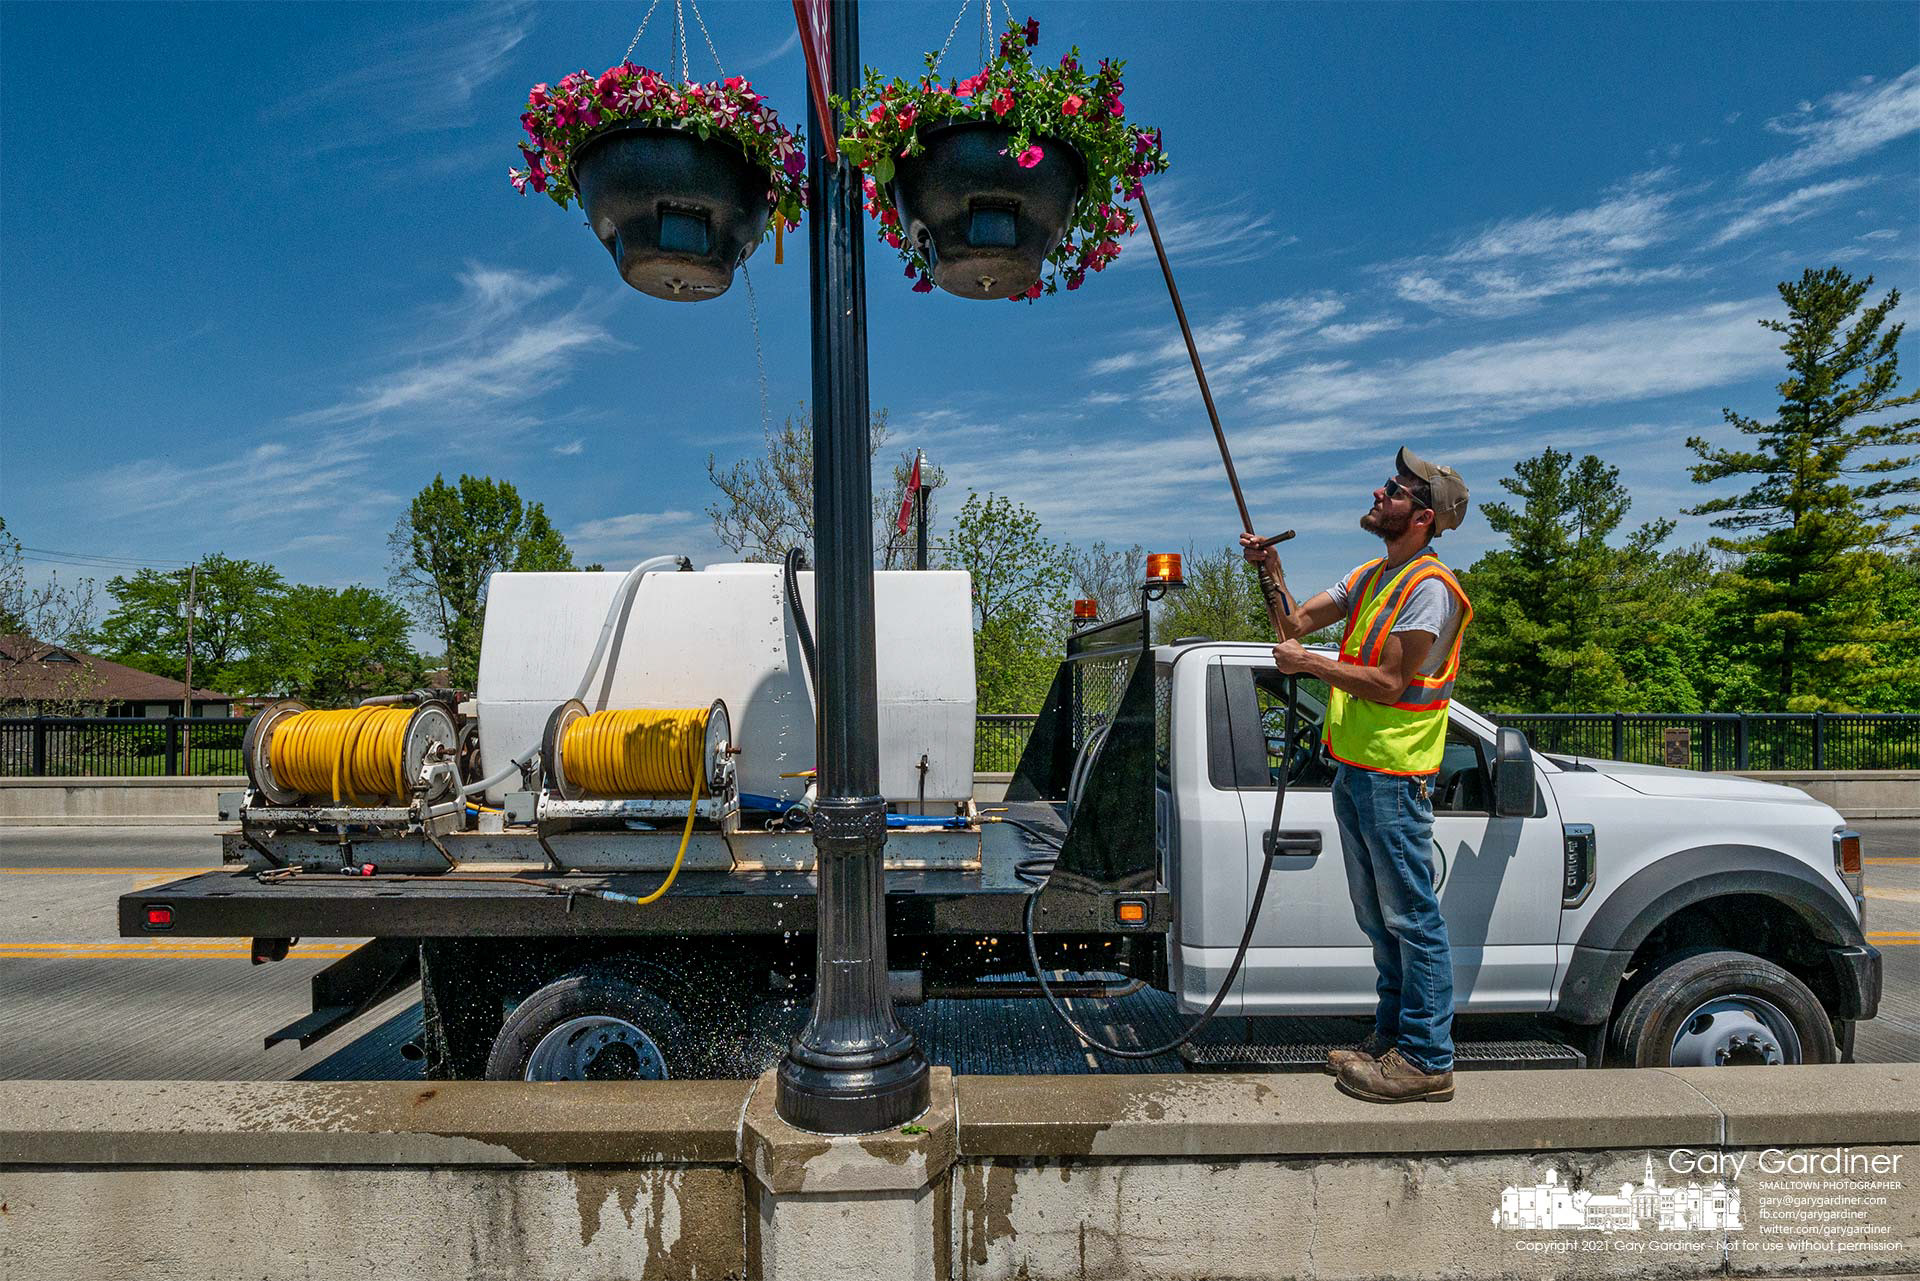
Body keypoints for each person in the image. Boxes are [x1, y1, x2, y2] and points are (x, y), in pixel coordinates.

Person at [1239, 447, 1472, 1104]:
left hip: (1397, 777)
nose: (1381, 491)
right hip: (1361, 772)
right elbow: (1294, 625)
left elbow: (1391, 683)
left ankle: (1426, 1057)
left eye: (1395, 489)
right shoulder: (1373, 575)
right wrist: (1272, 570)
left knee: (1412, 917)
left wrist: (1309, 664)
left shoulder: (1428, 589)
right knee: (1380, 918)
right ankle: (1391, 1041)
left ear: (1422, 517)